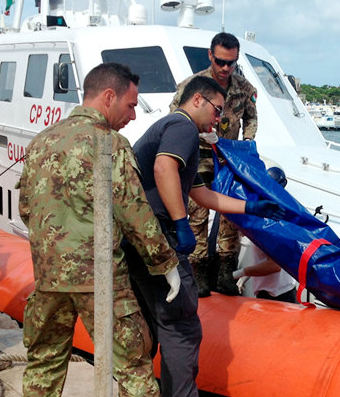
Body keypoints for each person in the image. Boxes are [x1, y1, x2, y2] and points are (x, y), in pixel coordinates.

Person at [18, 63, 180, 397]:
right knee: (133, 369)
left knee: (43, 365)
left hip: (49, 278)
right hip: (101, 280)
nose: (133, 116)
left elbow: (26, 209)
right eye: (130, 105)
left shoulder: (41, 141)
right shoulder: (111, 143)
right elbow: (135, 214)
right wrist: (166, 264)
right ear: (109, 96)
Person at [125, 75, 283, 397]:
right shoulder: (182, 127)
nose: (220, 120)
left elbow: (203, 194)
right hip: (159, 241)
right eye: (217, 110)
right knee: (182, 327)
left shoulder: (171, 131)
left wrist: (251, 207)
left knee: (153, 323)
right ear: (197, 100)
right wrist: (181, 223)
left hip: (136, 242)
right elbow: (164, 168)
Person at [169, 32, 258, 297]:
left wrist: (248, 141)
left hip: (229, 156)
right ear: (210, 56)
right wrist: (197, 135)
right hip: (199, 154)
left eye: (231, 63)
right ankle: (197, 271)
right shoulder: (193, 86)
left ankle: (225, 271)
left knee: (231, 214)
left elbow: (251, 117)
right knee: (197, 212)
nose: (225, 68)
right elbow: (176, 115)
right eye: (220, 61)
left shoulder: (245, 89)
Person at [232, 167, 298, 303]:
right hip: (275, 290)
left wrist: (242, 272)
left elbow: (274, 266)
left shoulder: (272, 223)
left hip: (277, 295)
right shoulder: (273, 217)